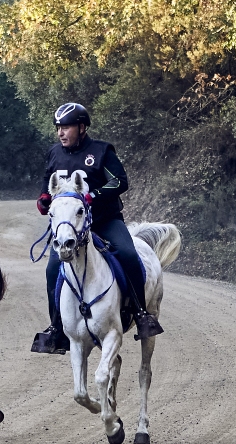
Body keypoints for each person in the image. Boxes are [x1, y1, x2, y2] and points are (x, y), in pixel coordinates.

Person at [31, 102, 162, 354]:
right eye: (58, 127)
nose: (60, 132)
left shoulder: (102, 151)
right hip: (72, 228)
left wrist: (94, 196)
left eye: (66, 127)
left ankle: (141, 314)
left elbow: (120, 181)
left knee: (128, 254)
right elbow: (47, 182)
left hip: (105, 220)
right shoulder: (54, 153)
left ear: (81, 128)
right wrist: (44, 198)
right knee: (52, 268)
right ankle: (56, 328)